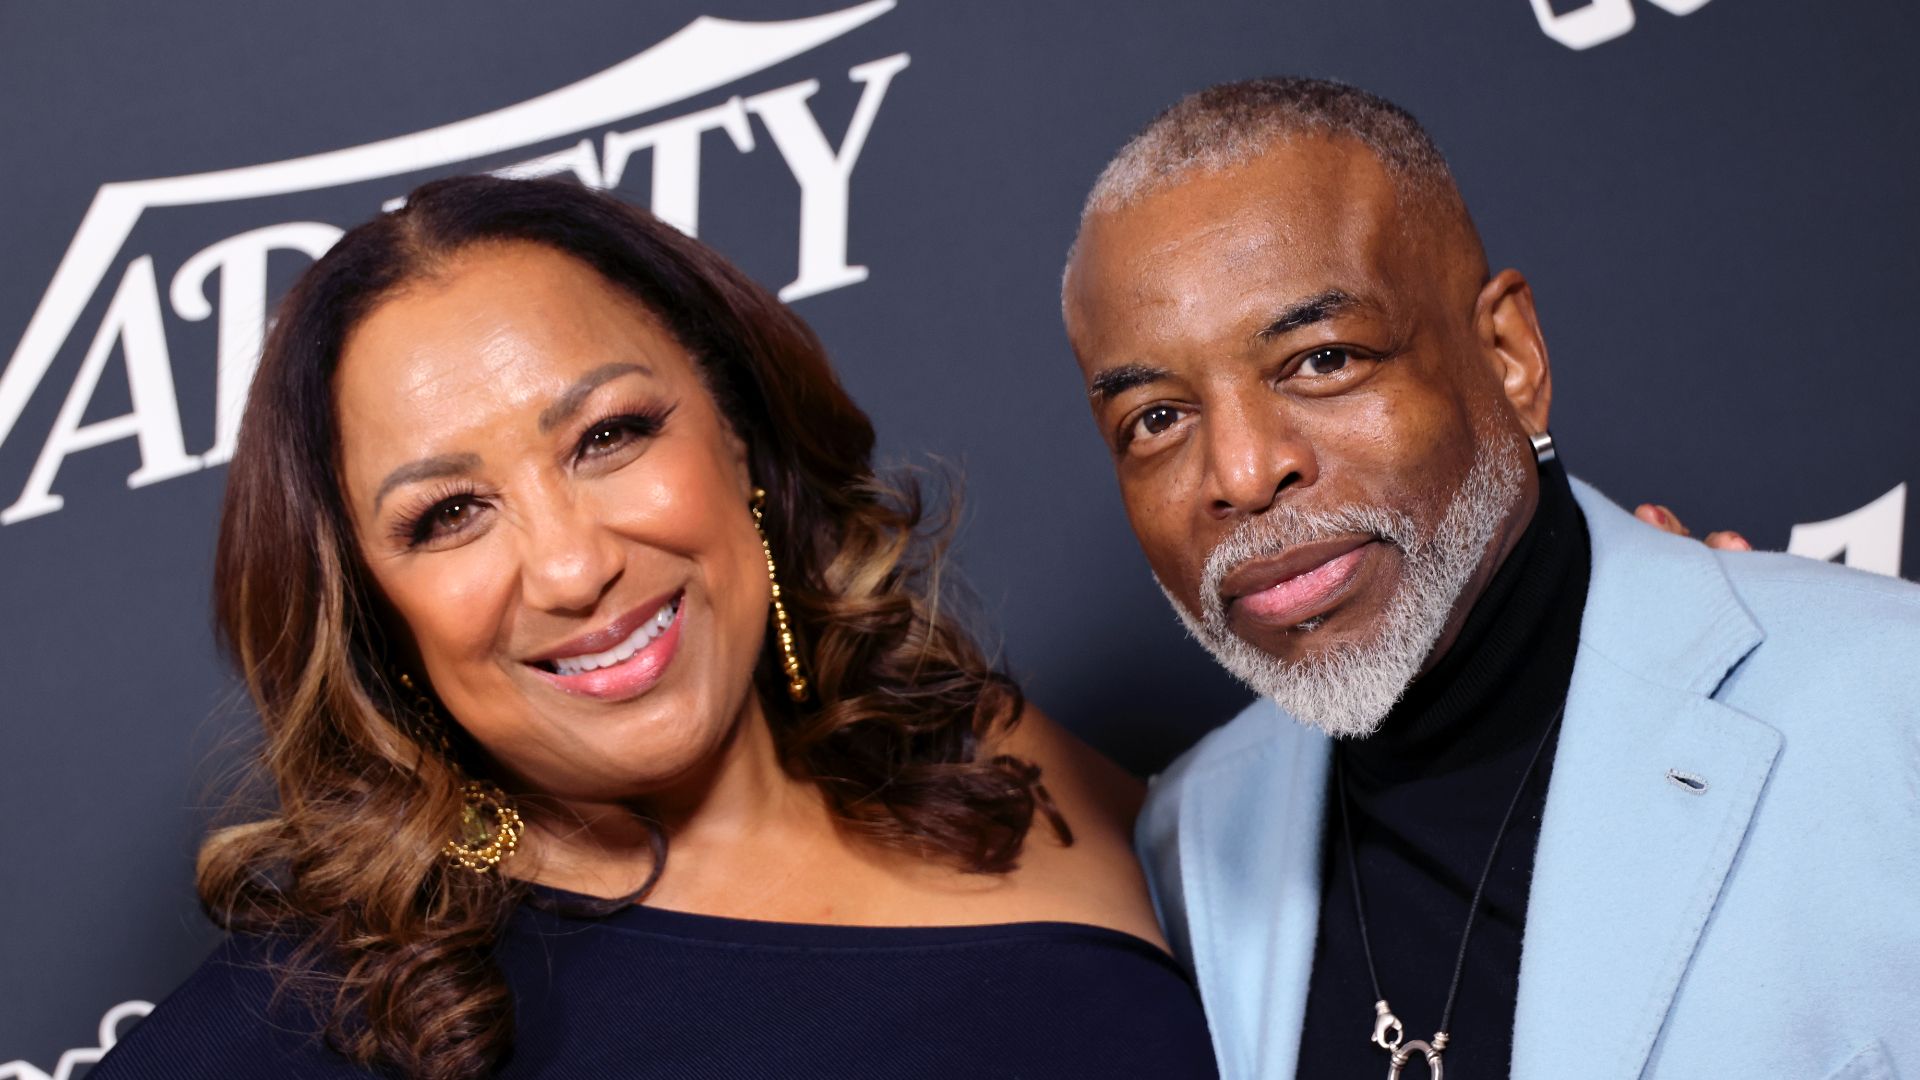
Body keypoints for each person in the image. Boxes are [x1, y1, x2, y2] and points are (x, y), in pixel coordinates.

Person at [94, 176, 1217, 1079]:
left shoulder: (989, 756)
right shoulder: (306, 1030)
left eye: (610, 436)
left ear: (737, 430)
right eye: (448, 516)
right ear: (373, 612)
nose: (575, 566)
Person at [1062, 77, 1920, 1080]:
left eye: (1322, 358)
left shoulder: (1886, 697)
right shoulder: (1188, 844)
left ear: (1508, 355)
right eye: (1156, 420)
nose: (1244, 475)